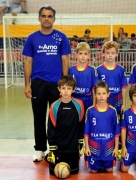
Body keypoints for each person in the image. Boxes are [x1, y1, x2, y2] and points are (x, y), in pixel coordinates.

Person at [22, 5, 71, 162]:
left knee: (57, 117)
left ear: (54, 19)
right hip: (38, 83)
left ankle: (55, 148)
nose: (47, 19)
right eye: (44, 16)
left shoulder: (61, 37)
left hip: (56, 84)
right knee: (38, 117)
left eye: (50, 16)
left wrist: (65, 84)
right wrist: (27, 84)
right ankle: (40, 149)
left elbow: (65, 60)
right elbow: (28, 62)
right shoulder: (32, 38)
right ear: (39, 18)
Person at [46, 75, 84, 175]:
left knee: (73, 172)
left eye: (69, 88)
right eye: (63, 88)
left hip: (72, 147)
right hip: (58, 148)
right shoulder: (54, 106)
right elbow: (51, 127)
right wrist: (52, 147)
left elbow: (81, 124)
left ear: (74, 89)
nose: (66, 91)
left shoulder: (79, 105)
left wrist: (81, 141)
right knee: (53, 172)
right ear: (59, 89)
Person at [84, 81, 120, 173]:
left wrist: (116, 148)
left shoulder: (113, 111)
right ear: (95, 95)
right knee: (93, 171)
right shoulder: (90, 111)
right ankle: (93, 161)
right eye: (98, 93)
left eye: (104, 93)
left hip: (108, 149)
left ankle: (106, 162)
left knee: (109, 170)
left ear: (108, 94)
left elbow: (116, 132)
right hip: (94, 149)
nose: (101, 96)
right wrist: (86, 147)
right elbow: (86, 132)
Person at [69, 42, 98, 141]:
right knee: (75, 123)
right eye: (80, 53)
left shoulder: (92, 70)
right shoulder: (71, 70)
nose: (83, 56)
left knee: (87, 122)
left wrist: (94, 104)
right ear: (76, 54)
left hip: (88, 100)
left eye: (85, 54)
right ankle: (76, 143)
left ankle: (87, 144)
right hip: (75, 99)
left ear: (89, 55)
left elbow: (94, 89)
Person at [96, 41, 128, 115]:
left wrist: (124, 104)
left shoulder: (121, 69)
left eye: (112, 53)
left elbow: (124, 87)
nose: (110, 55)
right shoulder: (99, 70)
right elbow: (96, 89)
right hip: (103, 101)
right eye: (107, 53)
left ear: (116, 54)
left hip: (118, 101)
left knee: (117, 122)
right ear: (103, 54)